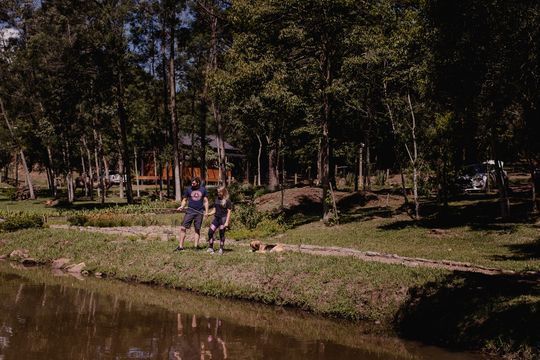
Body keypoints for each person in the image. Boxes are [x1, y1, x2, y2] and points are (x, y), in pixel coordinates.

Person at [174, 177, 209, 251]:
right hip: (190, 211)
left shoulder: (203, 190)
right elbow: (184, 200)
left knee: (197, 229)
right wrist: (182, 206)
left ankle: (196, 247)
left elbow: (206, 201)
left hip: (199, 212)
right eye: (192, 183)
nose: (192, 184)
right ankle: (180, 246)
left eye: (194, 183)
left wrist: (206, 212)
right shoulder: (188, 189)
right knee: (183, 228)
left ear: (198, 183)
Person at [207, 186, 232, 255]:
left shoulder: (227, 201)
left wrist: (227, 222)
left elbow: (229, 212)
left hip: (223, 219)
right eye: (218, 192)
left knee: (221, 233)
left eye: (219, 192)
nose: (218, 193)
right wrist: (209, 214)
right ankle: (210, 247)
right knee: (210, 232)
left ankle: (221, 248)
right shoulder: (217, 199)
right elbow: (214, 210)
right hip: (216, 218)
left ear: (223, 192)